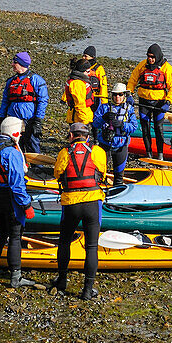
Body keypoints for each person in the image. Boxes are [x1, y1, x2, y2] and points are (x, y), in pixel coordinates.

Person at [49, 122, 107, 300]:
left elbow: (58, 173)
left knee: (65, 242)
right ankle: (88, 290)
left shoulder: (64, 153)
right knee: (91, 246)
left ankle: (62, 281)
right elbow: (102, 172)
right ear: (87, 137)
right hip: (92, 203)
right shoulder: (97, 151)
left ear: (71, 136)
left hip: (71, 204)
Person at [0, 117, 36, 288]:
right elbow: (17, 184)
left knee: (0, 233)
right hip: (10, 199)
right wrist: (26, 205)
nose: (21, 134)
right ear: (14, 131)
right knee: (14, 235)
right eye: (19, 131)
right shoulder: (12, 152)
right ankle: (16, 277)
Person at [127, 43, 172, 160]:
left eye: (152, 57)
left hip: (159, 104)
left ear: (158, 56)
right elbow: (132, 80)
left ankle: (160, 155)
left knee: (159, 129)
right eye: (148, 56)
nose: (150, 59)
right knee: (145, 129)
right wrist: (129, 94)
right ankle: (148, 154)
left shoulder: (167, 68)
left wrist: (168, 102)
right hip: (143, 102)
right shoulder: (142, 65)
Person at [0, 51, 48, 154]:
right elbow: (5, 100)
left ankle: (37, 168)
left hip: (29, 120)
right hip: (13, 120)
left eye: (15, 62)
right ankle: (18, 166)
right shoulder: (11, 81)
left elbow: (43, 101)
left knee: (32, 145)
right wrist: (1, 118)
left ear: (22, 64)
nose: (12, 64)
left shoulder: (36, 80)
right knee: (14, 145)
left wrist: (38, 120)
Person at [91, 82, 138, 185]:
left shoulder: (129, 109)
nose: (117, 97)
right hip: (105, 144)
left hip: (121, 145)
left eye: (120, 94)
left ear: (124, 95)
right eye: (115, 94)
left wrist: (122, 125)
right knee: (99, 172)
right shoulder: (104, 108)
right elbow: (95, 123)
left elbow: (134, 127)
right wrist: (103, 118)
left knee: (119, 176)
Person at [62, 57, 95, 126]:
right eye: (88, 71)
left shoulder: (80, 81)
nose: (89, 74)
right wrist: (84, 120)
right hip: (78, 119)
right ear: (82, 72)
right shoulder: (77, 83)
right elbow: (79, 104)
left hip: (82, 117)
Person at [81, 46, 108, 116]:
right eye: (83, 56)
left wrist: (104, 101)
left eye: (85, 56)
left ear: (92, 57)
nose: (83, 58)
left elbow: (103, 85)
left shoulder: (99, 69)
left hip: (95, 97)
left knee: (96, 116)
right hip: (84, 96)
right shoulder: (81, 67)